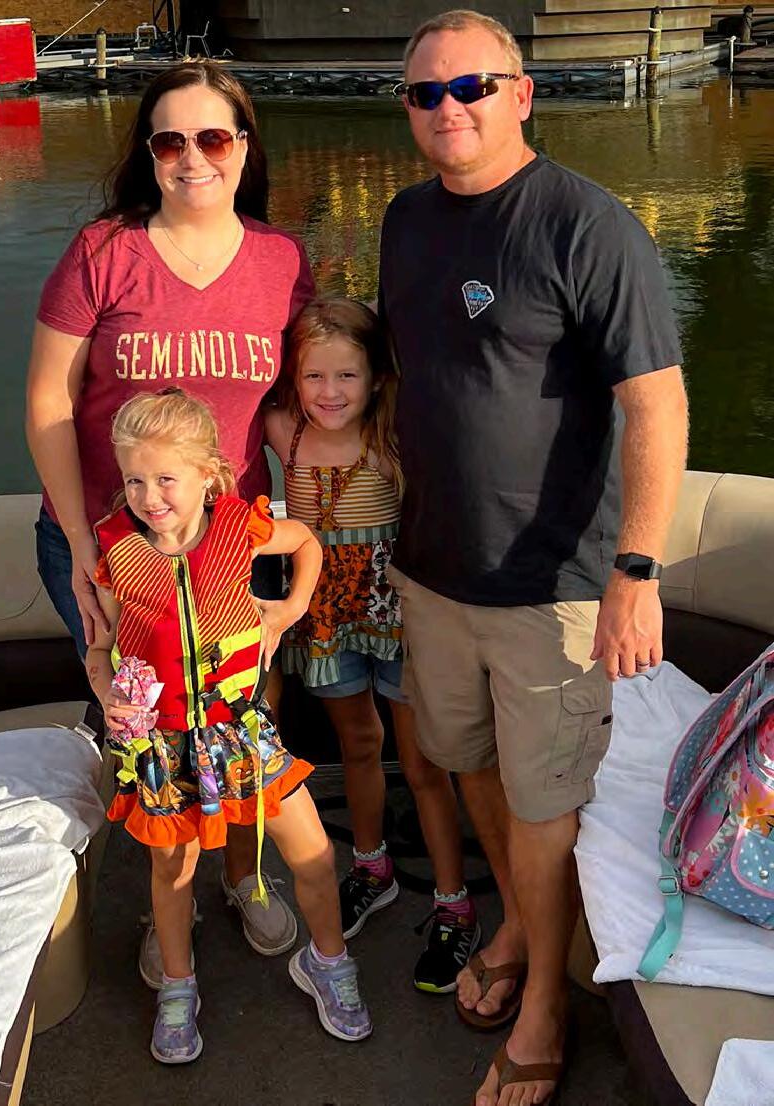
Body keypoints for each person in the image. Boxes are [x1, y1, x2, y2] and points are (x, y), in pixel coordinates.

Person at [380, 11, 689, 1106]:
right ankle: (517, 922)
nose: (447, 108)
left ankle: (548, 1002)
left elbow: (655, 406)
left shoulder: (588, 224)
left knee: (545, 798)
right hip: (430, 569)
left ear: (520, 94)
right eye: (425, 93)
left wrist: (635, 571)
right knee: (467, 758)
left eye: (470, 86)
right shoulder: (402, 220)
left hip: (549, 582)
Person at [25, 61, 314, 981]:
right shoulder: (103, 250)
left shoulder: (281, 260)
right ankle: (169, 906)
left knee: (242, 711)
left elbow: (291, 402)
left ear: (244, 148)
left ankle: (242, 874)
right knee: (147, 725)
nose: (194, 158)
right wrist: (82, 544)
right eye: (170, 140)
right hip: (115, 546)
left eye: (213, 137)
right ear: (149, 154)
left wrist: (331, 496)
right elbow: (48, 401)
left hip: (230, 545)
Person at [87, 388, 371, 1062]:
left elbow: (307, 543)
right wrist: (107, 693)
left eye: (165, 479)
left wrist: (289, 609)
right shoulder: (116, 549)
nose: (148, 497)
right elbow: (101, 648)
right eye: (134, 480)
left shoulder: (242, 526)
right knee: (172, 870)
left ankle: (328, 961)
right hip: (163, 745)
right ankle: (177, 985)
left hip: (241, 732)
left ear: (208, 475)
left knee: (312, 853)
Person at [266, 297, 480, 994]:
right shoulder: (282, 431)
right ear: (293, 380)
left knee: (421, 762)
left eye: (346, 376)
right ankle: (371, 865)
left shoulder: (393, 437)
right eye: (313, 376)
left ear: (377, 378)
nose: (329, 392)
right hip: (325, 616)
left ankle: (454, 901)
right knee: (357, 743)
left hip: (397, 615)